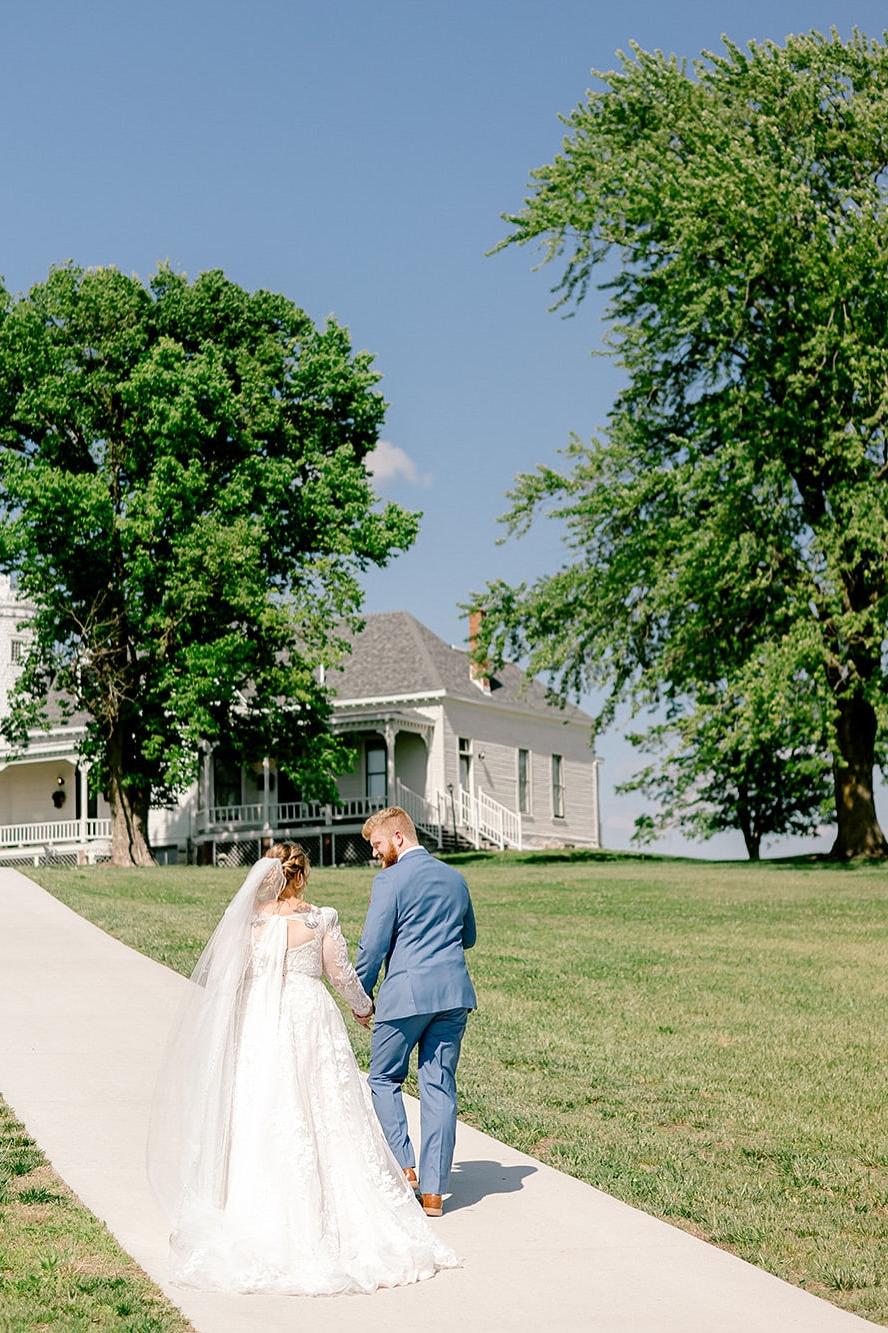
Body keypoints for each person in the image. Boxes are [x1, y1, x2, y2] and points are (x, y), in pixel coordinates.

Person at [147, 841, 458, 1295]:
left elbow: (231, 978)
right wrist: (363, 1005)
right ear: (303, 875)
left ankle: (245, 1205)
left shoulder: (249, 925)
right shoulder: (321, 919)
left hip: (259, 1021)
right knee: (322, 1109)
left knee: (260, 1105)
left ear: (269, 875)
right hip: (310, 1017)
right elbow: (341, 975)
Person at [355, 808, 477, 1218]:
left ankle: (403, 1166)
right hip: (453, 995)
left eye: (377, 845)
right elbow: (470, 936)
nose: (375, 854)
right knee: (439, 1087)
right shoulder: (456, 879)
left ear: (398, 838)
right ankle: (434, 1192)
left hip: (404, 996)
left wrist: (362, 996)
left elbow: (372, 946)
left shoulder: (390, 880)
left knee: (384, 1077)